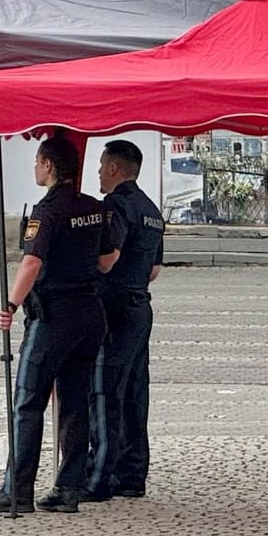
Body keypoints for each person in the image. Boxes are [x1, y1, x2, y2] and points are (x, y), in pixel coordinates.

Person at [0, 136, 122, 515]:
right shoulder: (93, 207)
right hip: (90, 315)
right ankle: (68, 489)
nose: (35, 169)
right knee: (75, 403)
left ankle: (18, 491)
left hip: (53, 318)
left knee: (27, 401)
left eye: (37, 163)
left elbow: (31, 263)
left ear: (48, 165)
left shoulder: (47, 211)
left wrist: (10, 304)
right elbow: (109, 258)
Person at [84, 139, 164, 502]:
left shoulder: (114, 206)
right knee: (135, 393)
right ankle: (133, 474)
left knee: (103, 390)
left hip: (113, 308)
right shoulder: (151, 209)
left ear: (114, 169)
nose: (99, 173)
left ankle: (98, 477)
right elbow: (154, 270)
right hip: (140, 307)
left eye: (102, 166)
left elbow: (107, 258)